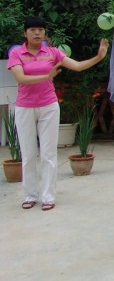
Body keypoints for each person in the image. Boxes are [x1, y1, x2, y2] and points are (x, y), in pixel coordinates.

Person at [7, 16, 108, 211]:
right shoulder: (17, 53)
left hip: (48, 106)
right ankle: (30, 195)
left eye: (41, 30)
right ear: (25, 33)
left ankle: (48, 196)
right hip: (24, 107)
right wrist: (47, 76)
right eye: (32, 30)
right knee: (28, 154)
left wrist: (99, 57)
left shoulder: (52, 52)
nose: (37, 33)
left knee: (48, 154)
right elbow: (21, 78)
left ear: (45, 33)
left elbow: (77, 66)